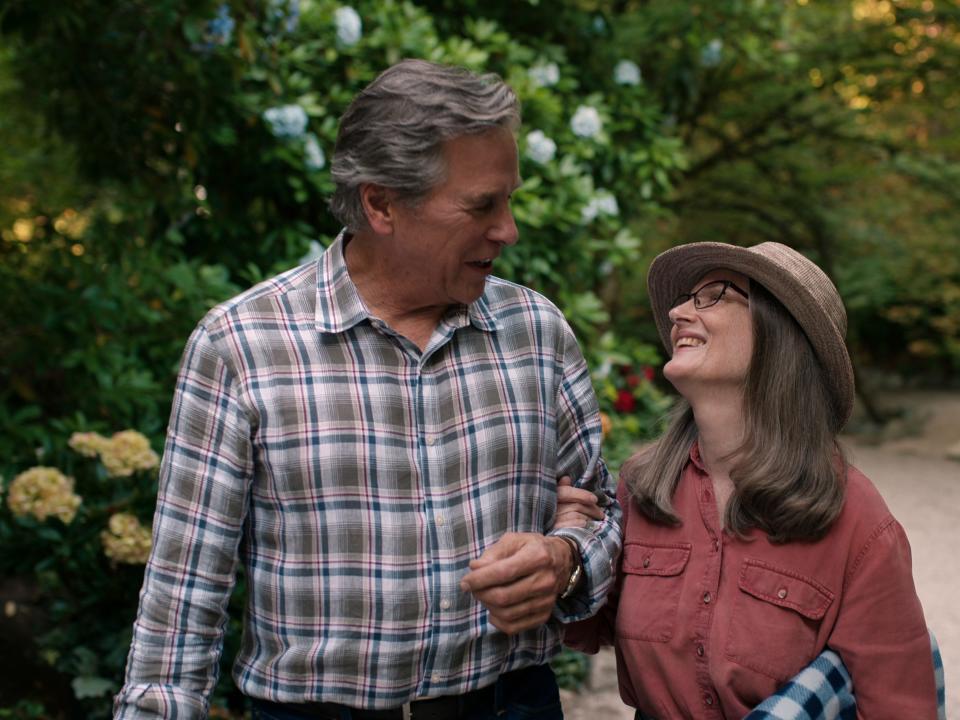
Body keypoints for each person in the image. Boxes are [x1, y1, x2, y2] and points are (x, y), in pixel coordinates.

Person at [113, 59, 621, 719]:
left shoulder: (538, 332)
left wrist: (566, 561)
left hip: (509, 704)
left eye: (510, 199)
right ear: (382, 202)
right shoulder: (241, 346)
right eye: (482, 205)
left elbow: (602, 512)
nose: (508, 229)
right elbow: (182, 599)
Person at [560, 241, 938, 718]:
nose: (677, 312)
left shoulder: (857, 520)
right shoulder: (643, 485)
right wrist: (567, 550)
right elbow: (589, 625)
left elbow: (902, 708)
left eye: (713, 294)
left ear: (778, 331)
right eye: (684, 298)